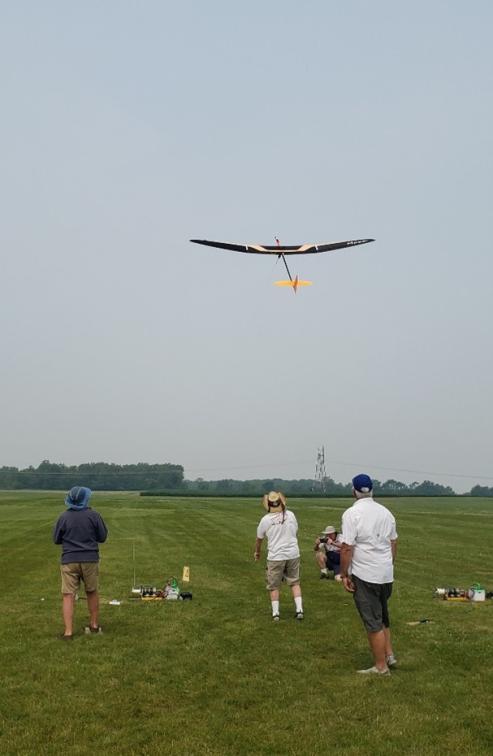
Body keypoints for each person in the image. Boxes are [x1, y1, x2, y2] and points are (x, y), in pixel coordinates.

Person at [340, 474, 398, 675]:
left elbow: (347, 547)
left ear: (353, 491)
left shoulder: (351, 514)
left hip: (366, 574)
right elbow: (393, 542)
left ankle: (381, 667)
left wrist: (344, 574)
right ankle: (389, 655)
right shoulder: (386, 513)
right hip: (385, 574)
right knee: (382, 616)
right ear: (372, 490)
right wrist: (388, 564)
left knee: (373, 622)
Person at [53, 486, 108, 639]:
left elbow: (56, 539)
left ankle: (68, 632)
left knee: (68, 595)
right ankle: (94, 625)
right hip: (90, 559)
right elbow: (102, 537)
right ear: (86, 499)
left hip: (69, 560)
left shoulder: (63, 517)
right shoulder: (94, 515)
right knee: (91, 591)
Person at [254, 491, 304, 621]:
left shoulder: (265, 520)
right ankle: (299, 609)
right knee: (294, 582)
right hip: (293, 553)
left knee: (274, 586)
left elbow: (259, 539)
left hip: (275, 556)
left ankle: (276, 613)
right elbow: (295, 530)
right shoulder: (291, 515)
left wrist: (257, 552)